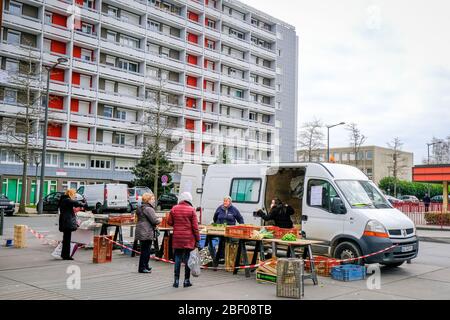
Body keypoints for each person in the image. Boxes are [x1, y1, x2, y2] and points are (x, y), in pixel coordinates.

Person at [168, 192, 200, 288]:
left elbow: (170, 222)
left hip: (177, 238)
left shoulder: (174, 208)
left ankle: (176, 280)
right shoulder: (191, 210)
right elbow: (195, 227)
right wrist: (197, 239)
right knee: (187, 259)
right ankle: (186, 280)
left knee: (177, 258)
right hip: (188, 239)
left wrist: (177, 224)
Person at [135, 193, 161, 274]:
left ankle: (145, 265)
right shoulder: (149, 209)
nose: (154, 201)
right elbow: (154, 220)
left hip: (141, 230)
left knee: (144, 250)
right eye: (152, 199)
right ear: (148, 200)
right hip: (146, 231)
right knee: (146, 250)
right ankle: (143, 267)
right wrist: (160, 220)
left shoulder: (140, 207)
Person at [58, 189, 86, 260]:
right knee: (67, 239)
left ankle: (64, 254)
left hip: (64, 221)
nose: (74, 196)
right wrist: (83, 204)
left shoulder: (63, 200)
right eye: (74, 194)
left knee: (66, 239)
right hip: (67, 221)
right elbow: (76, 203)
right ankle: (66, 255)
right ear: (71, 194)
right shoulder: (67, 200)